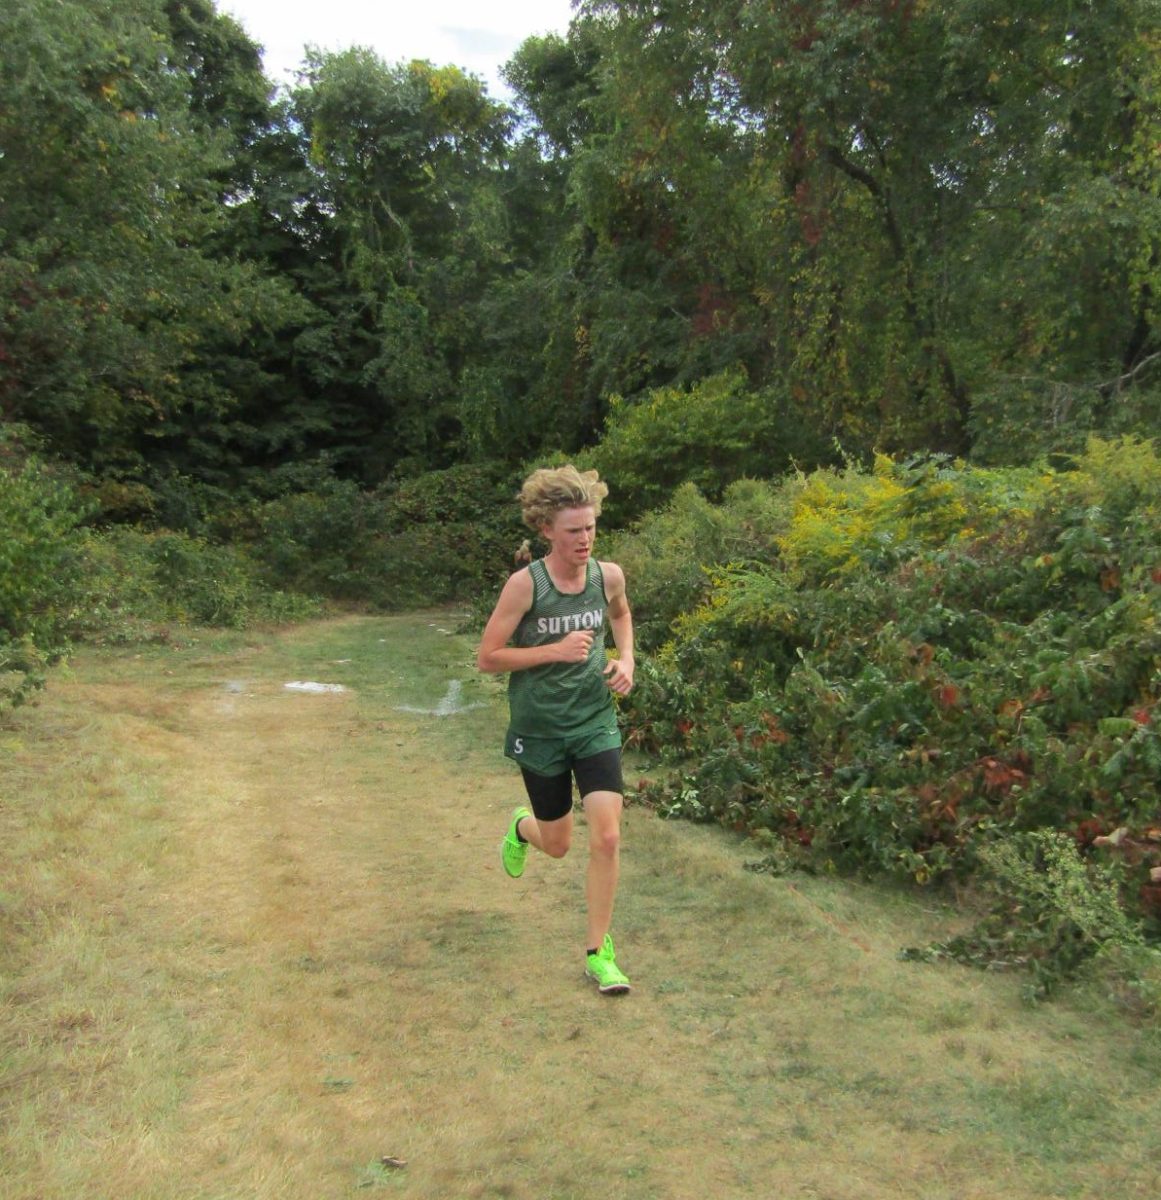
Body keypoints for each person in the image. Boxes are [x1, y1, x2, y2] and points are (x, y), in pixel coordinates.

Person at [477, 465, 636, 995]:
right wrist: (554, 651)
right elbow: (488, 658)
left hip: (594, 721)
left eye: (590, 528)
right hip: (539, 729)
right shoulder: (526, 587)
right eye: (573, 531)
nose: (585, 539)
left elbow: (621, 614)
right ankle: (524, 827)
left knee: (608, 836)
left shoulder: (606, 576)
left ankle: (599, 953)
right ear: (547, 529)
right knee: (559, 843)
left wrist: (627, 660)